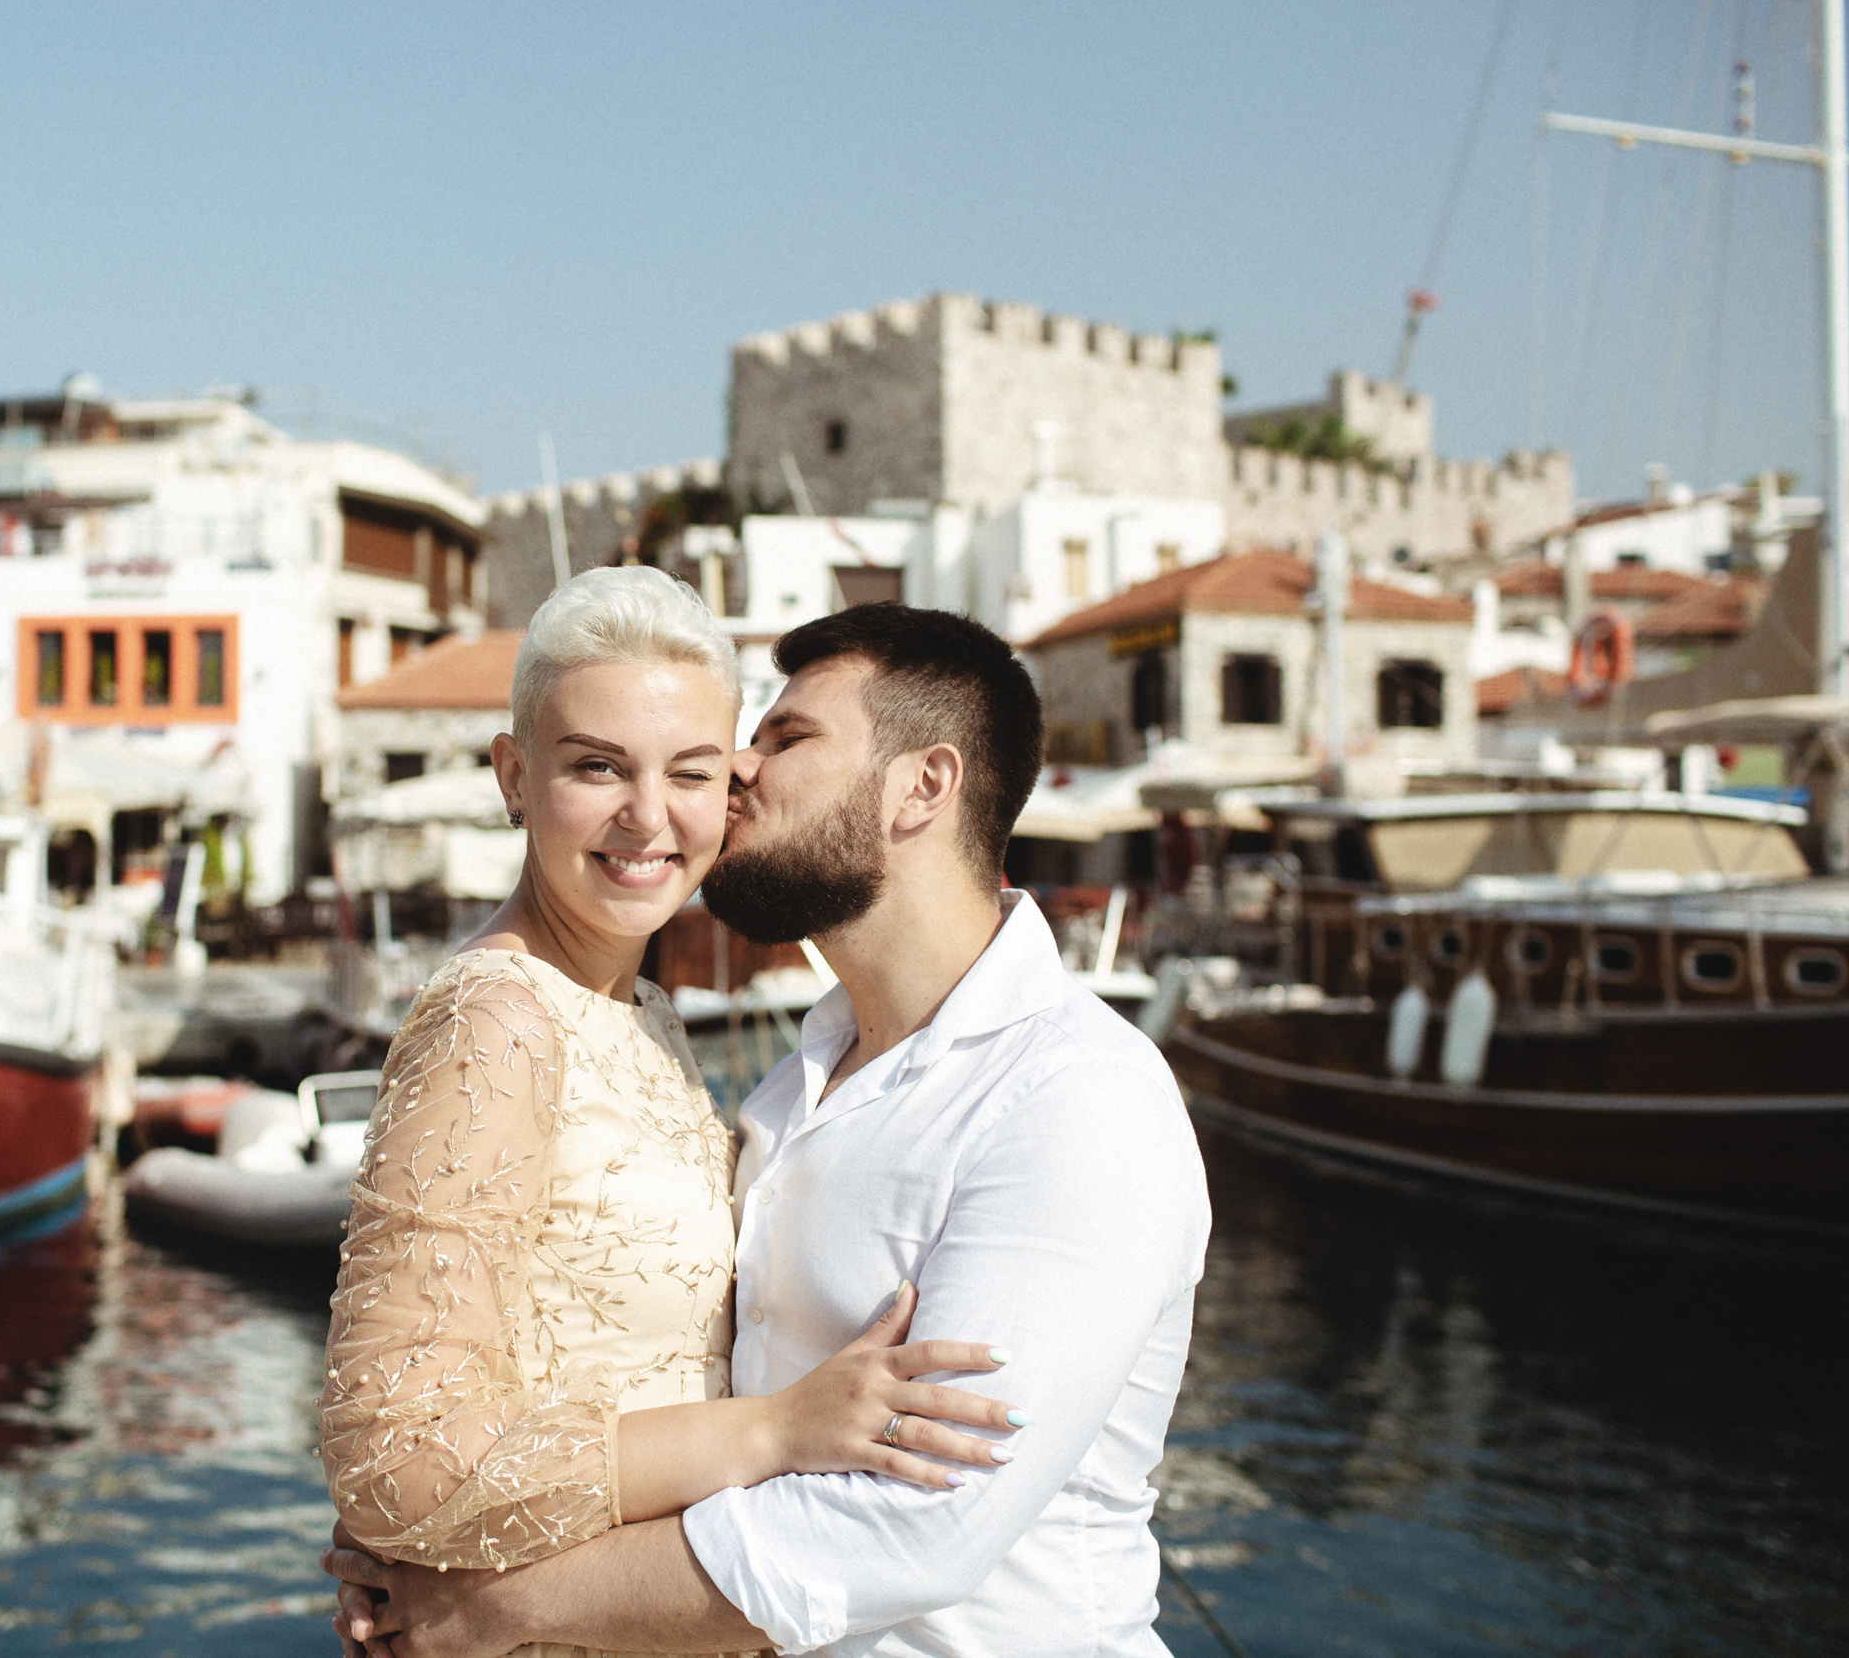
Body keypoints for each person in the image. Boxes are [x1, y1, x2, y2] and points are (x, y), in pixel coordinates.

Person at [326, 602, 1212, 1657]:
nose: (738, 769)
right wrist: (444, 1513)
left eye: (786, 739)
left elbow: (915, 1525)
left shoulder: (1074, 1095)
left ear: (921, 784)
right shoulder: (792, 1086)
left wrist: (493, 1605)